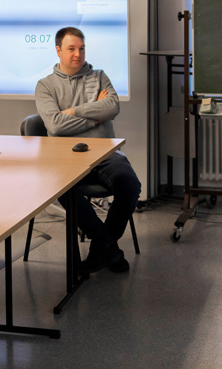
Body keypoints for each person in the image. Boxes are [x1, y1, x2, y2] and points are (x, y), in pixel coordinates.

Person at [34, 27, 141, 275]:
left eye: (81, 49)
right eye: (71, 49)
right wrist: (95, 114)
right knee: (63, 189)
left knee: (130, 185)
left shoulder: (99, 76)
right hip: (65, 158)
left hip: (105, 155)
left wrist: (73, 111)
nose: (78, 54)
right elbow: (55, 126)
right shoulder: (45, 85)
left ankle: (100, 249)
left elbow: (112, 107)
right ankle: (108, 246)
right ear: (58, 50)